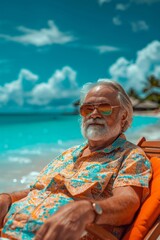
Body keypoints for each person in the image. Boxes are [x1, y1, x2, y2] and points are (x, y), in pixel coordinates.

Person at [0, 79, 152, 240]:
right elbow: (38, 190)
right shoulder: (69, 153)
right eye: (88, 109)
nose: (94, 114)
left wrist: (90, 210)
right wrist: (7, 198)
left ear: (123, 116)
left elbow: (128, 203)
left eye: (105, 108)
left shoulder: (130, 156)